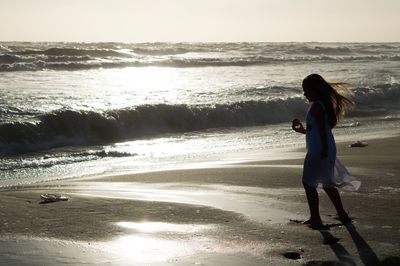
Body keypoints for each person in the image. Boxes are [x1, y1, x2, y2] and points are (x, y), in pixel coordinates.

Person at [292, 73, 355, 229]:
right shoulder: (320, 105)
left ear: (316, 90)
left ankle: (315, 218)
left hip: (319, 150)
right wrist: (302, 130)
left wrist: (324, 150)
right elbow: (319, 130)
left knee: (308, 183)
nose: (304, 94)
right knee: (327, 183)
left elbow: (322, 132)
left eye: (306, 90)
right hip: (323, 148)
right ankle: (342, 214)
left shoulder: (318, 107)